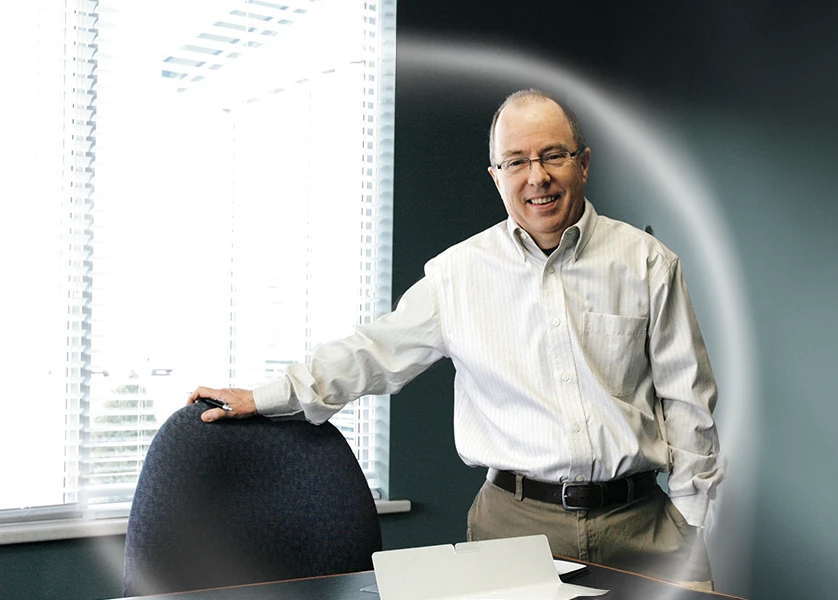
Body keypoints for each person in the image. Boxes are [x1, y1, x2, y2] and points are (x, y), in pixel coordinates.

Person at [188, 89, 723, 590]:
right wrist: (264, 397)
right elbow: (371, 352)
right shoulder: (457, 276)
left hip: (646, 526)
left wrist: (692, 520)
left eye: (552, 155)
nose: (537, 177)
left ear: (583, 162)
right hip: (515, 530)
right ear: (496, 176)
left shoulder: (647, 263)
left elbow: (688, 402)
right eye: (516, 161)